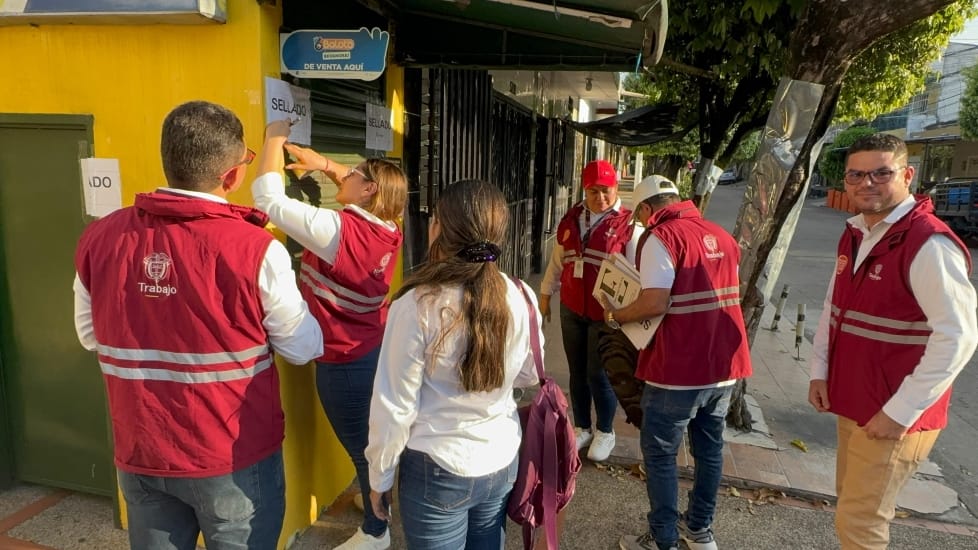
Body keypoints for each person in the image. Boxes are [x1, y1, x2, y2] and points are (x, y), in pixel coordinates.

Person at [73, 100, 323, 549]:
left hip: (142, 451)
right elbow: (303, 348)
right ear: (230, 176)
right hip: (233, 459)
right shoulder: (257, 249)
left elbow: (90, 334)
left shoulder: (100, 238)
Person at [807, 133, 978, 550]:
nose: (868, 183)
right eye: (856, 174)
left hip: (893, 415)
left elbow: (959, 335)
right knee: (851, 509)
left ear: (907, 174)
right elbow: (834, 307)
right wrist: (819, 371)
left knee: (861, 524)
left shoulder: (928, 242)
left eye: (881, 172)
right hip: (857, 401)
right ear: (845, 181)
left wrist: (900, 412)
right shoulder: (857, 233)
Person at [252, 120, 407, 550]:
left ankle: (377, 532)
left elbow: (266, 198)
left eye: (355, 174)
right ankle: (379, 501)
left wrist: (274, 137)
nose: (346, 173)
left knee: (362, 448)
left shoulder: (338, 231)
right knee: (371, 440)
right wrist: (320, 163)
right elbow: (351, 179)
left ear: (369, 191)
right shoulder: (390, 226)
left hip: (342, 361)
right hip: (371, 347)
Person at [365, 179, 542, 550]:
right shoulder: (521, 295)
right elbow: (528, 373)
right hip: (501, 458)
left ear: (438, 230)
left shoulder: (417, 304)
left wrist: (380, 478)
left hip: (438, 466)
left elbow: (395, 406)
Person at [605, 177, 751, 550]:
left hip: (679, 371)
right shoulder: (720, 233)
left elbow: (655, 302)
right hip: (724, 368)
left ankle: (662, 538)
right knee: (709, 449)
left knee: (660, 454)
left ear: (645, 209)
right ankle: (699, 530)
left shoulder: (662, 237)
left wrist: (618, 315)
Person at [539, 159, 634, 462]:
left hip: (605, 314)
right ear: (585, 189)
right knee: (577, 371)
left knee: (599, 373)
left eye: (606, 191)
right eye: (594, 191)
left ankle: (606, 430)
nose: (600, 197)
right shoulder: (572, 218)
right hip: (572, 307)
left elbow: (636, 272)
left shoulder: (627, 224)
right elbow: (558, 261)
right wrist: (545, 294)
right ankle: (582, 426)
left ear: (616, 188)